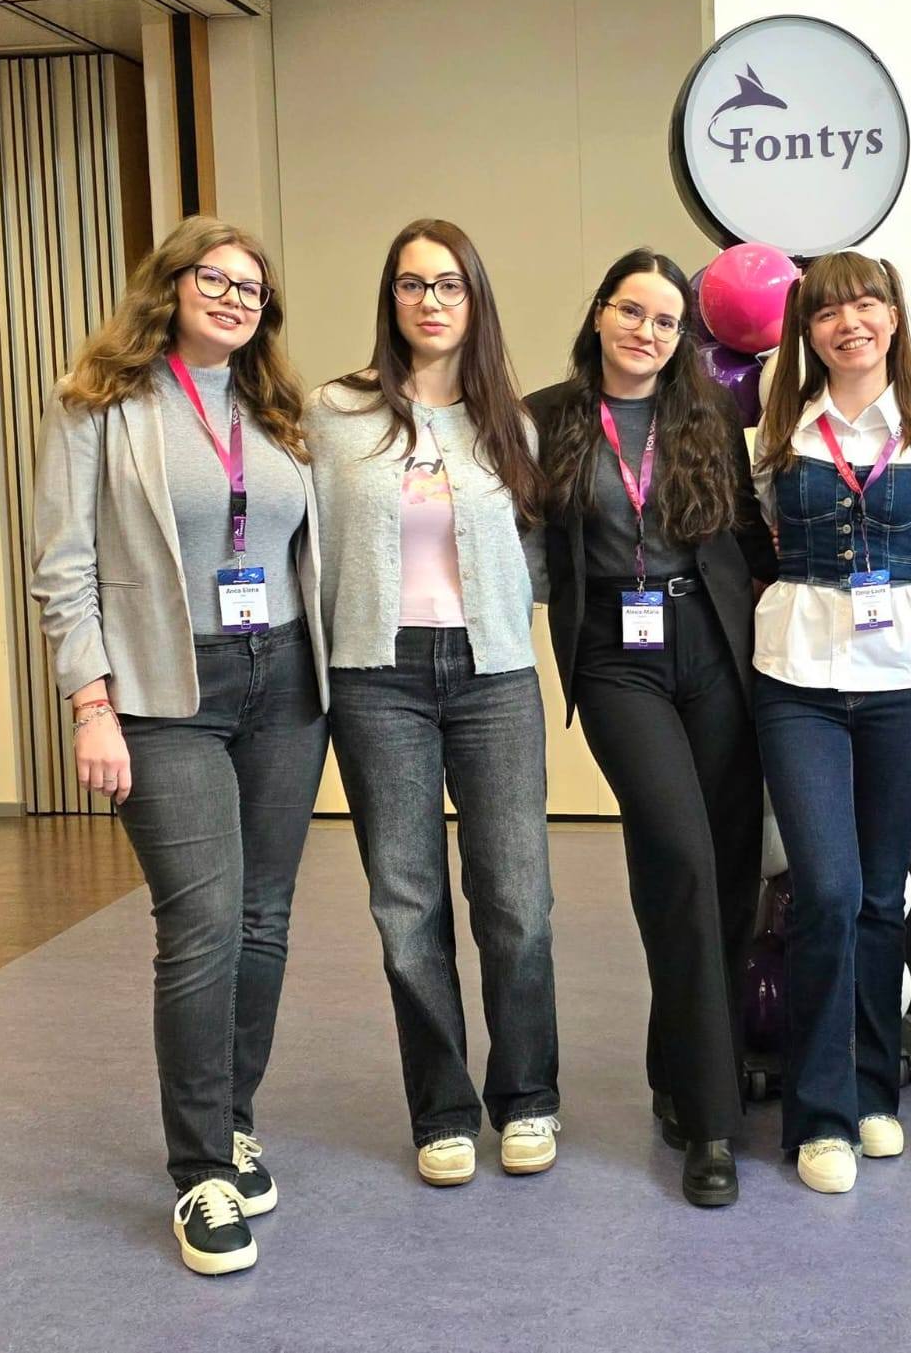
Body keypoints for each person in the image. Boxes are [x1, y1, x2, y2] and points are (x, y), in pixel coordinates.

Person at [30, 216, 328, 1275]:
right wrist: (89, 704)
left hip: (285, 682)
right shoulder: (97, 402)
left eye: (253, 289)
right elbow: (64, 565)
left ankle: (234, 1120)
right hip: (166, 690)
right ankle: (199, 1170)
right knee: (201, 924)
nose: (237, 300)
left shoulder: (276, 407)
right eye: (217, 279)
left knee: (261, 920)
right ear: (171, 283)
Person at [304, 219, 559, 1189]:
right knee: (406, 904)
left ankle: (527, 1097)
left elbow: (535, 556)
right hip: (379, 678)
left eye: (449, 284)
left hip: (492, 674)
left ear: (474, 299)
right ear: (391, 299)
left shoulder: (511, 424)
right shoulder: (335, 414)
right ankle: (443, 1109)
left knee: (517, 900)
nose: (431, 301)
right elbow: (302, 538)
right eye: (413, 284)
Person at [527, 247, 776, 1207]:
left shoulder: (707, 417)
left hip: (710, 644)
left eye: (667, 320)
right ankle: (712, 1120)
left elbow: (749, 540)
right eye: (632, 311)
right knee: (677, 855)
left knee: (729, 872)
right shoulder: (547, 418)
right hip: (614, 657)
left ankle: (680, 1070)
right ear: (599, 313)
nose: (647, 331)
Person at [752, 251, 911, 1195]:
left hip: (905, 682)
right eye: (828, 310)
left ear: (894, 316)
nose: (851, 322)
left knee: (884, 893)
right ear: (807, 331)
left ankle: (877, 1091)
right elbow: (750, 537)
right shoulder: (776, 430)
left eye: (868, 303)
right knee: (828, 891)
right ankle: (820, 1114)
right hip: (796, 678)